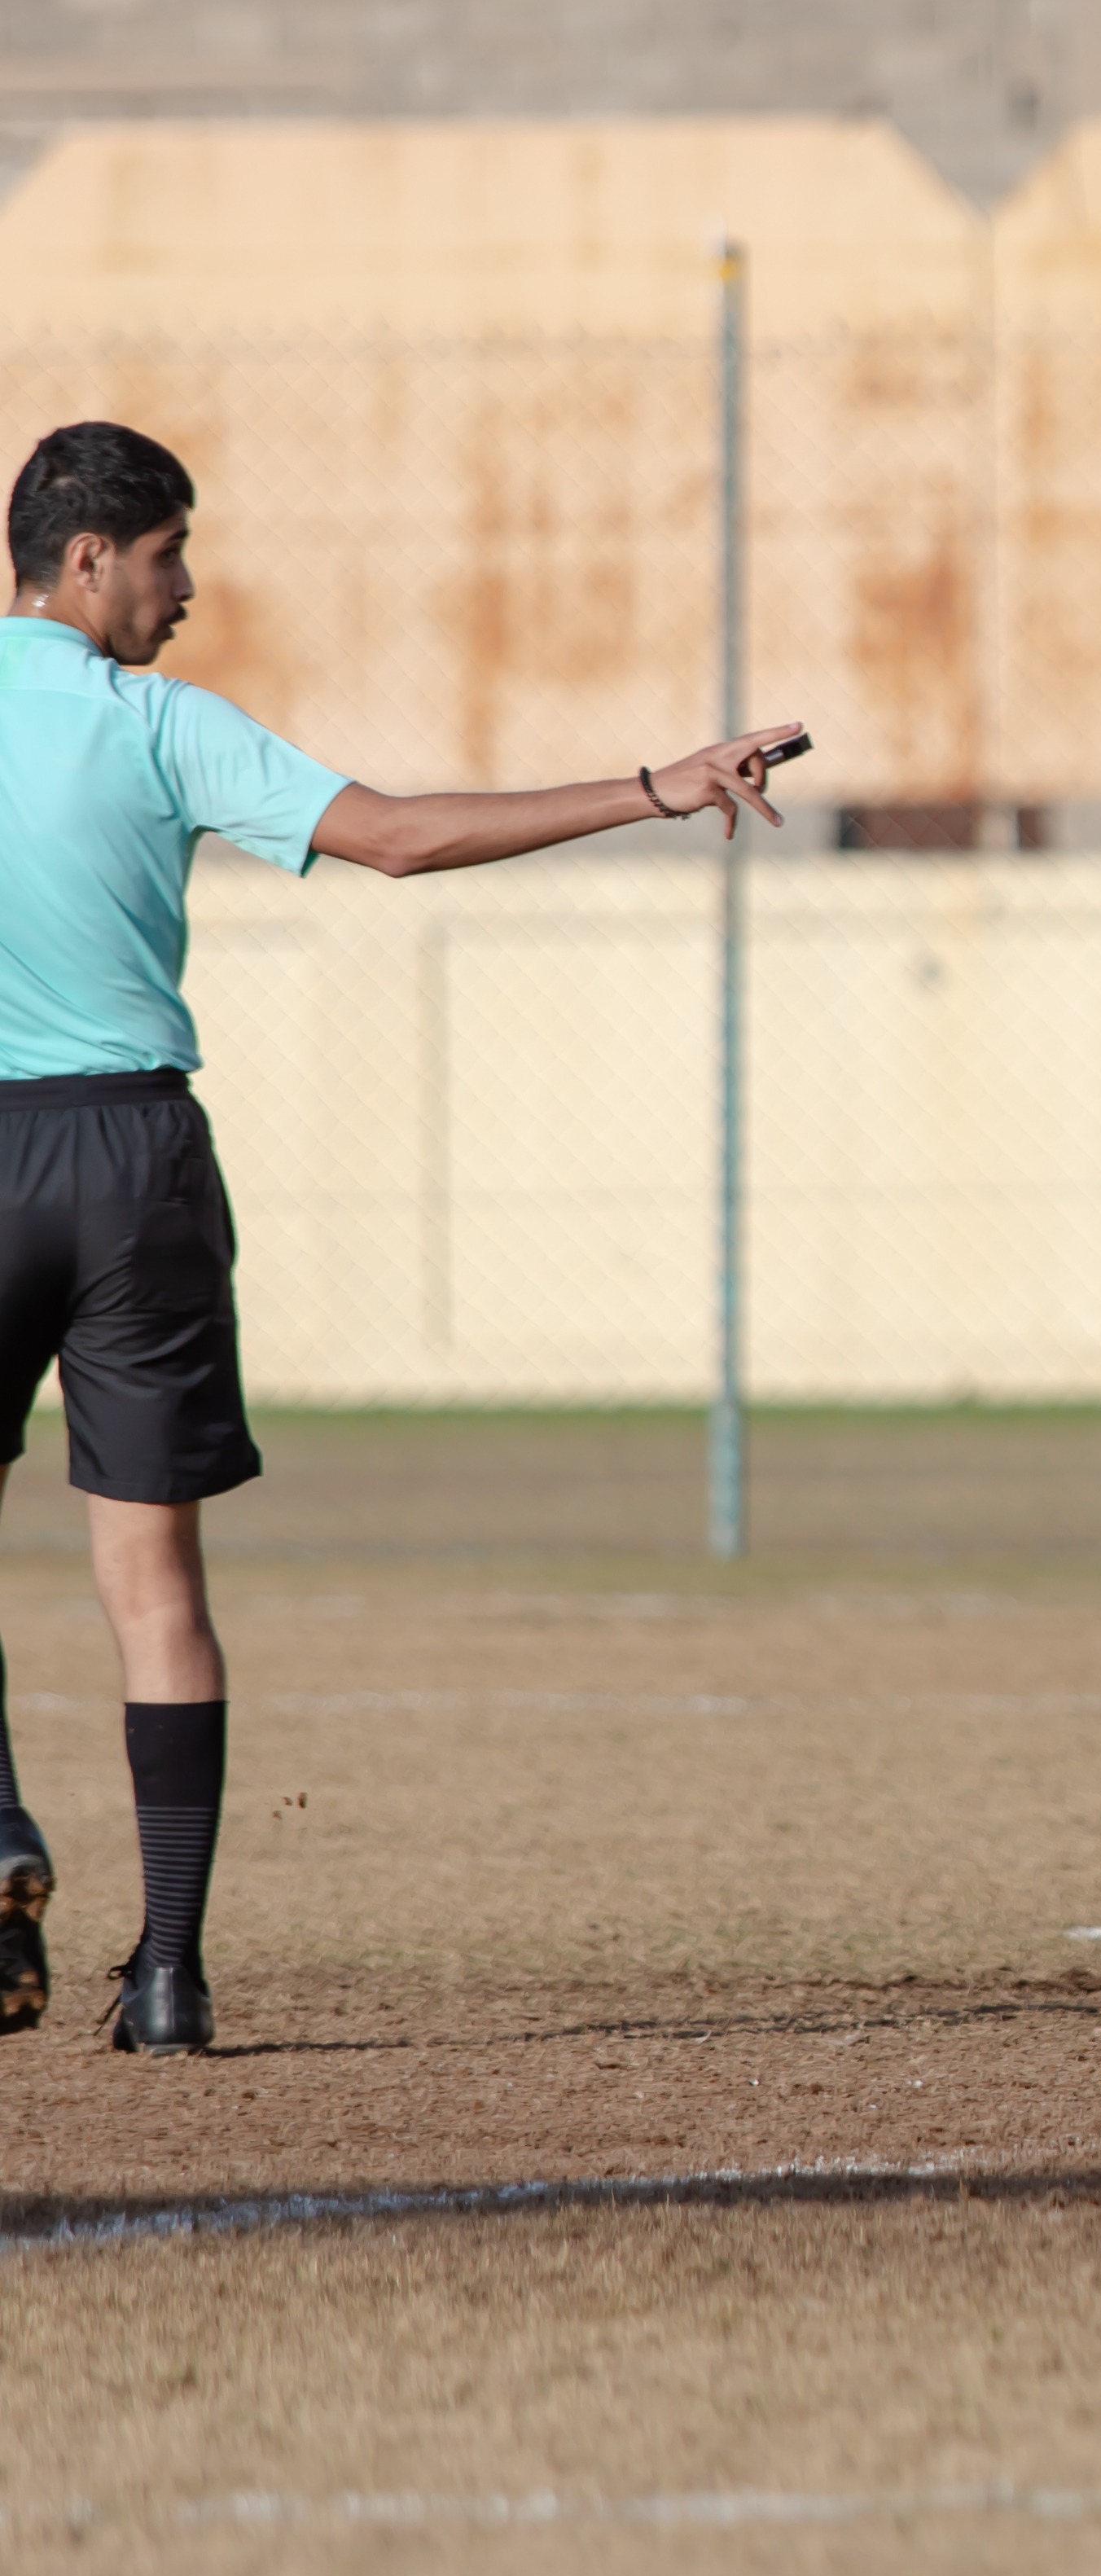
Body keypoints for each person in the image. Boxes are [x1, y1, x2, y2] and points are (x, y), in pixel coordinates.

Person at [0, 420, 801, 2055]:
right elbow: (403, 835)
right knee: (153, 1575)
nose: (190, 590)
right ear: (89, 558)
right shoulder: (159, 727)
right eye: (169, 557)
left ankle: (0, 1828)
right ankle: (166, 1972)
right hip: (137, 1152)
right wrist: (654, 785)